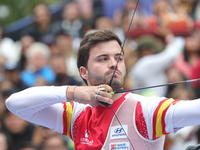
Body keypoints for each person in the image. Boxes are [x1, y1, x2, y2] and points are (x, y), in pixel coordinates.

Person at [5, 29, 200, 150]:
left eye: (119, 58)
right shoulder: (75, 114)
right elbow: (14, 104)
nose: (114, 63)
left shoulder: (147, 110)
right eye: (103, 58)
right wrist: (73, 93)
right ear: (84, 72)